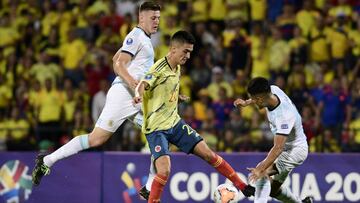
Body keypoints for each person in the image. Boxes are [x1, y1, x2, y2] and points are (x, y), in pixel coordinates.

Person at [32, 1, 161, 186]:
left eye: (158, 18)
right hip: (125, 95)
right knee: (97, 138)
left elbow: (115, 58)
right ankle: (47, 161)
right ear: (141, 17)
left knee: (159, 131)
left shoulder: (144, 39)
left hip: (132, 96)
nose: (156, 21)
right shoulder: (136, 35)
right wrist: (134, 84)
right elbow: (118, 64)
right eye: (153, 18)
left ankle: (149, 188)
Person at [133, 30, 255, 203]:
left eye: (190, 52)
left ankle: (241, 185)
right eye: (185, 51)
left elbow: (165, 89)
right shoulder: (159, 68)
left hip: (174, 123)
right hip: (156, 129)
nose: (188, 56)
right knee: (164, 171)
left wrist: (177, 97)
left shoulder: (177, 67)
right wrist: (138, 94)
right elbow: (143, 84)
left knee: (208, 154)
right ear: (173, 49)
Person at [233, 77, 313, 203]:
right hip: (287, 147)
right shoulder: (273, 90)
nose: (253, 101)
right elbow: (259, 96)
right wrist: (247, 102)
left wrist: (261, 169)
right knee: (274, 190)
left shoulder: (284, 116)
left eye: (254, 99)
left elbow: (278, 148)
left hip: (294, 151)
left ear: (259, 99)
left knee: (261, 172)